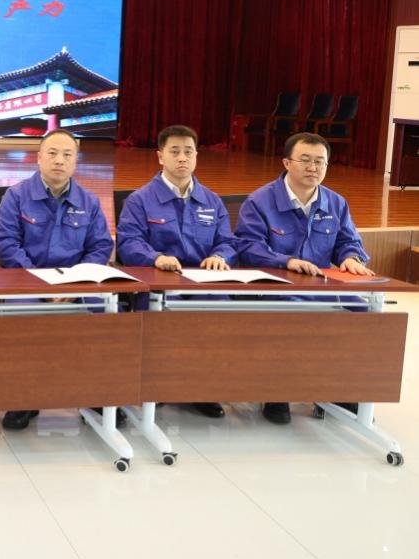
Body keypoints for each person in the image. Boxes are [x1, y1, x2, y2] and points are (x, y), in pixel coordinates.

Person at [236, 131, 373, 425]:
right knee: (295, 315)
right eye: (305, 160)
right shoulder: (260, 201)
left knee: (366, 313)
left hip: (321, 286)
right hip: (275, 287)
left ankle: (338, 389)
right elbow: (248, 247)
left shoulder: (336, 203)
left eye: (320, 162)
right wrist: (286, 261)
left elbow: (349, 241)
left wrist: (351, 257)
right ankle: (278, 391)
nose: (313, 168)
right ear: (287, 163)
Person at [0, 128, 117, 432]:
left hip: (77, 283)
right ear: (38, 158)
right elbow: (6, 244)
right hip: (28, 281)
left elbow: (101, 246)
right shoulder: (16, 196)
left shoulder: (88, 201)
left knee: (108, 315)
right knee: (25, 315)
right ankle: (25, 398)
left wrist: (76, 282)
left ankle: (96, 394)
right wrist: (40, 284)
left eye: (67, 155)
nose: (59, 160)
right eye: (52, 153)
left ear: (75, 161)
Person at [115, 124, 236, 419]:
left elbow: (229, 242)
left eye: (188, 152)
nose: (182, 158)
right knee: (161, 314)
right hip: (159, 285)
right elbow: (128, 244)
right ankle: (158, 385)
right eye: (175, 152)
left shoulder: (212, 201)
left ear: (196, 156)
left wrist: (220, 256)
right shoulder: (140, 200)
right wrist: (155, 258)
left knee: (219, 312)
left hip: (203, 285)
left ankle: (200, 389)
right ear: (160, 157)